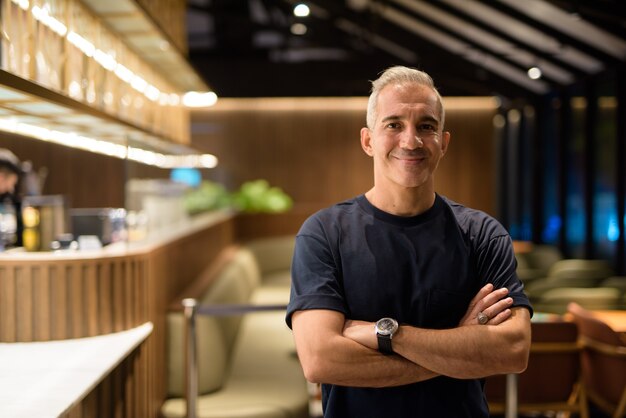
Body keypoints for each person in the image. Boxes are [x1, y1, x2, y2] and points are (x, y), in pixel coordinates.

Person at [286, 66, 532, 417]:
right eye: (394, 124)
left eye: (426, 126)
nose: (411, 140)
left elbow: (513, 350)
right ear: (368, 140)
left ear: (443, 143)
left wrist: (386, 334)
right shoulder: (324, 233)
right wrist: (461, 350)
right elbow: (320, 360)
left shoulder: (483, 234)